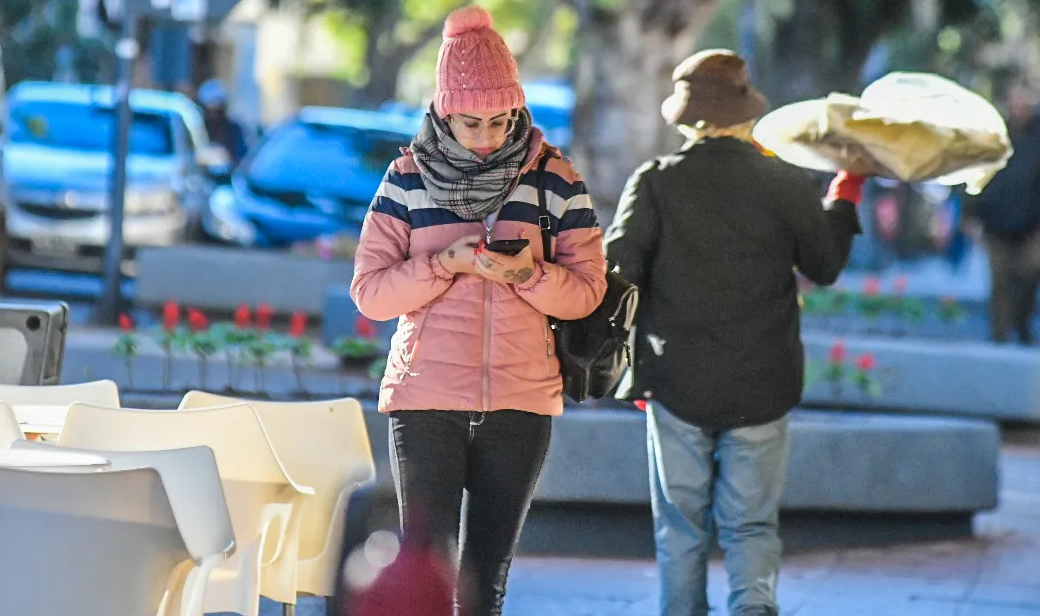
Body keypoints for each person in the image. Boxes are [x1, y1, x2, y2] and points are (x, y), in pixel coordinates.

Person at [349, 6, 607, 615]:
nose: (487, 135)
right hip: (426, 398)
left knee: (486, 579)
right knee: (424, 573)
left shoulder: (555, 178)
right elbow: (371, 292)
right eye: (471, 122)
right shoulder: (406, 179)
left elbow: (588, 290)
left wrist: (529, 275)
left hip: (521, 399)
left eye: (500, 120)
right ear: (444, 112)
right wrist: (446, 264)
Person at [605, 49, 865, 616]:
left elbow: (617, 273)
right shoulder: (785, 182)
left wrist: (628, 362)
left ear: (686, 117)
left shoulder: (656, 182)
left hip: (674, 380)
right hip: (763, 382)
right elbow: (824, 265)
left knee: (680, 525)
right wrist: (845, 194)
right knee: (751, 525)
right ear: (747, 110)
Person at [963, 83, 1040, 344]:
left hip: (1033, 223)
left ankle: (1022, 322)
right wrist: (970, 215)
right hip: (996, 221)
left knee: (1030, 271)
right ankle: (1000, 332)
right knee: (1000, 278)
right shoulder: (995, 136)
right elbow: (977, 174)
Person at [197, 78, 248, 164]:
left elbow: (242, 156)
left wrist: (225, 156)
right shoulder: (198, 129)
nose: (213, 114)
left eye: (217, 109)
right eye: (210, 109)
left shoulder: (233, 129)